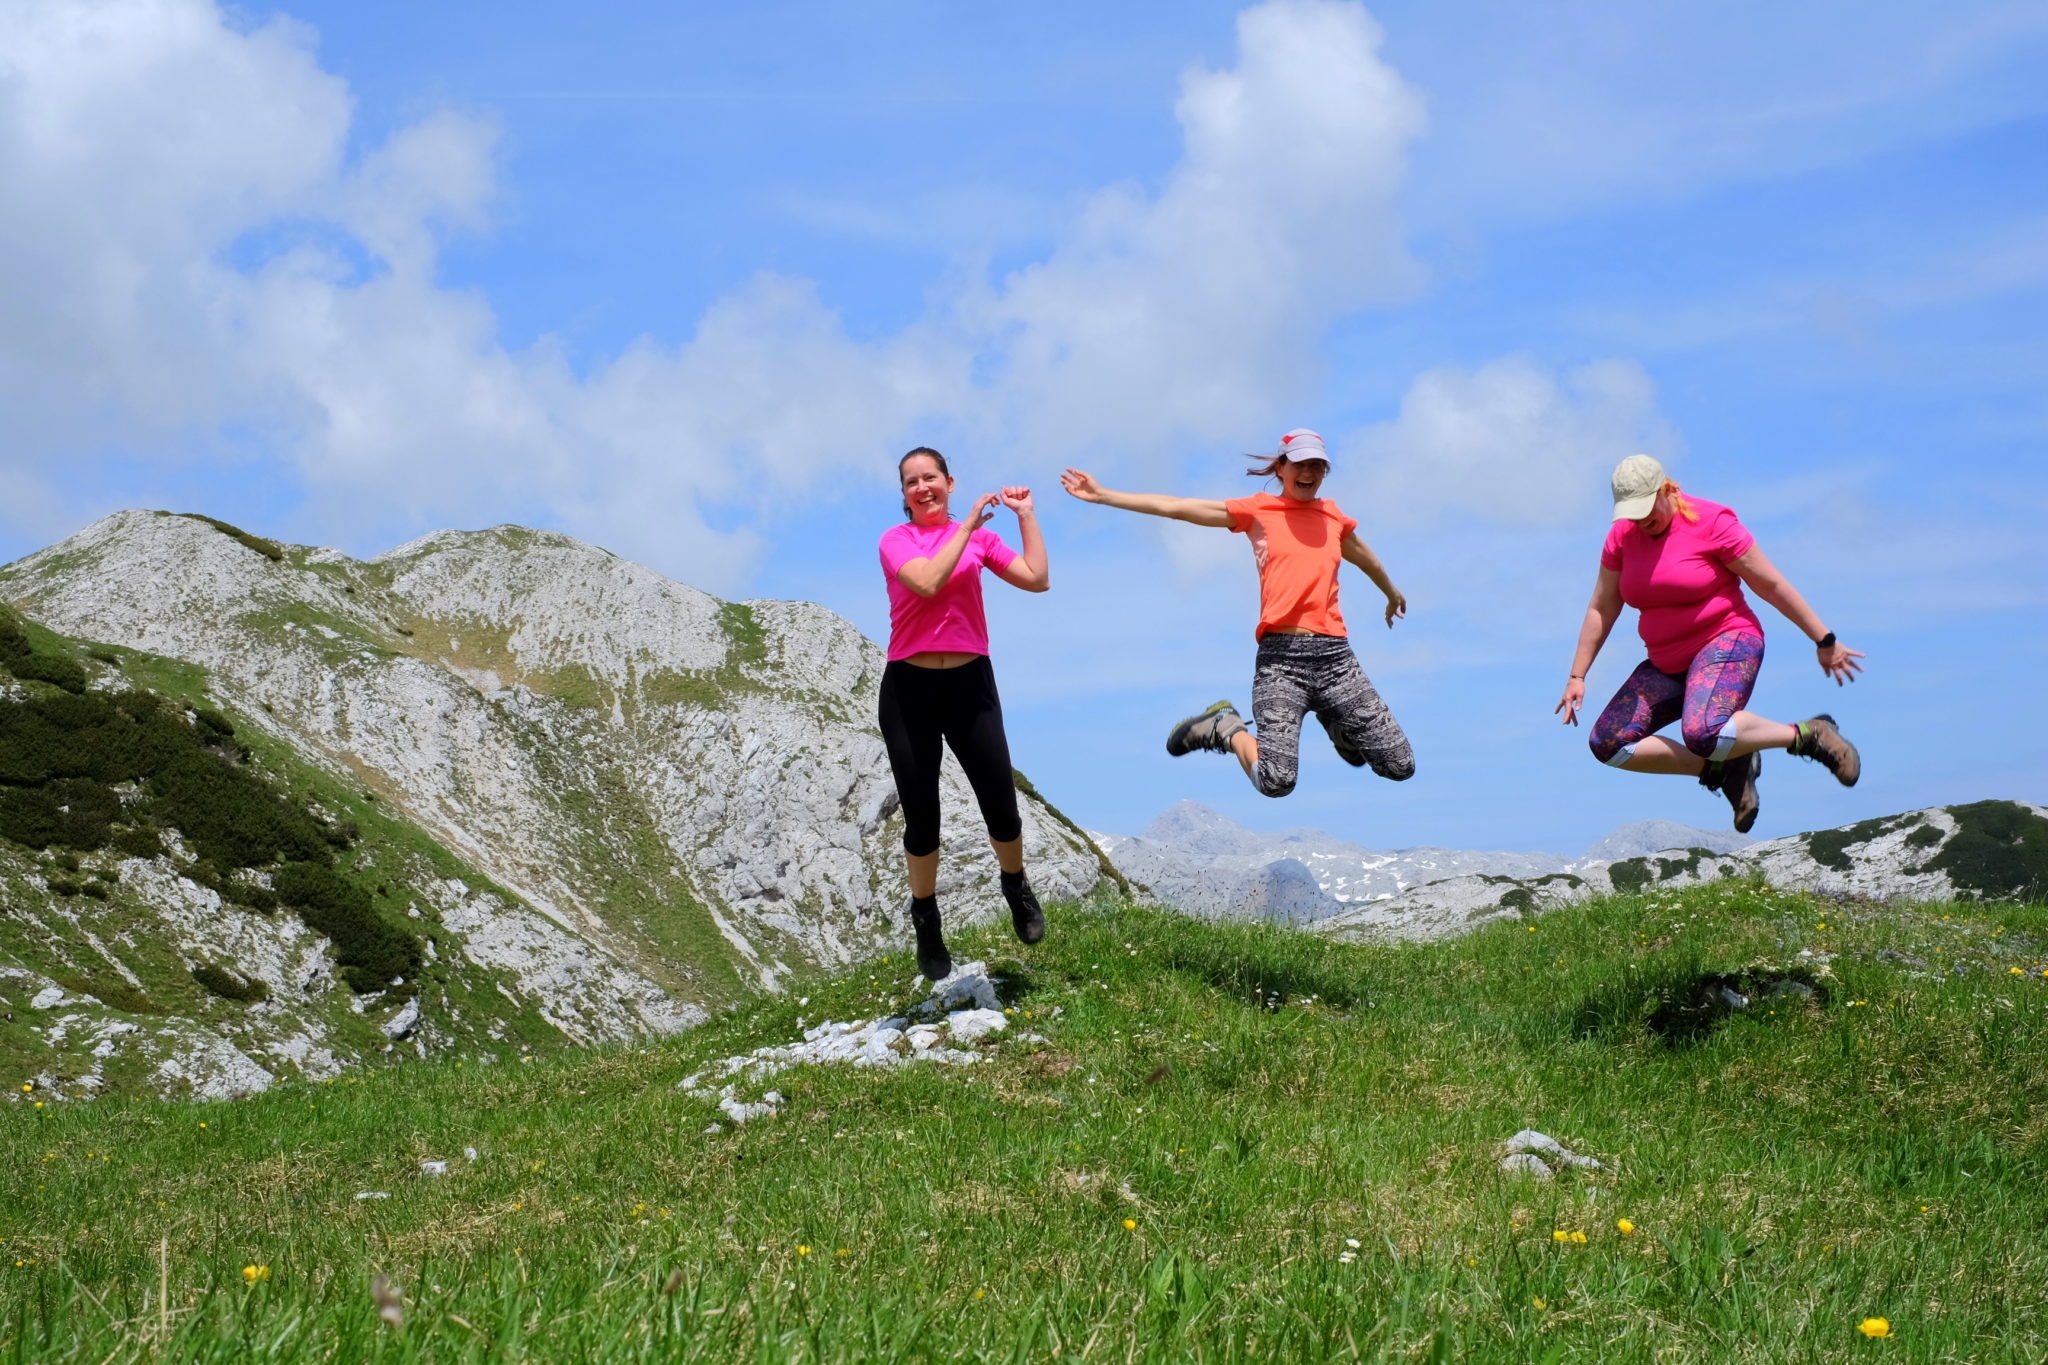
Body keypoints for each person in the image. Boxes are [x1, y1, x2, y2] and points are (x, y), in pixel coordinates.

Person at [1060, 428, 1415, 798]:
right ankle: (1226, 728)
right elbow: (1179, 507)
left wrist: (1391, 593)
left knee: (1399, 766)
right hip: (1282, 663)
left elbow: (1363, 556)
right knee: (1277, 781)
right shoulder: (1258, 510)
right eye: (1300, 464)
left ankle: (1337, 720)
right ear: (1281, 467)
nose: (1309, 472)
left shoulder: (1332, 516)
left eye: (1318, 465)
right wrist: (1104, 496)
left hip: (1335, 659)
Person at [1556, 454, 1864, 832]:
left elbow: (1770, 584)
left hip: (1728, 640)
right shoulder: (1622, 537)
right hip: (1667, 663)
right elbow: (1602, 607)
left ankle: (1809, 735)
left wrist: (1824, 638)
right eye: (1632, 514)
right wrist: (1577, 674)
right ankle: (1723, 769)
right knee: (1608, 743)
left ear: (1667, 489)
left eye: (1647, 509)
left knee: (1702, 730)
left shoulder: (1712, 522)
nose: (1641, 521)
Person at [878, 446, 1050, 981]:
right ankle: (925, 917)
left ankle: (1015, 885)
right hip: (910, 687)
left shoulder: (979, 538)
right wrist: (967, 525)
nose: (922, 487)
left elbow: (1036, 577)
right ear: (904, 494)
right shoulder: (896, 540)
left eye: (930, 477)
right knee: (922, 815)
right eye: (912, 482)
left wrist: (1025, 517)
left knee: (1000, 802)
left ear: (949, 482)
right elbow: (927, 581)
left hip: (969, 683)